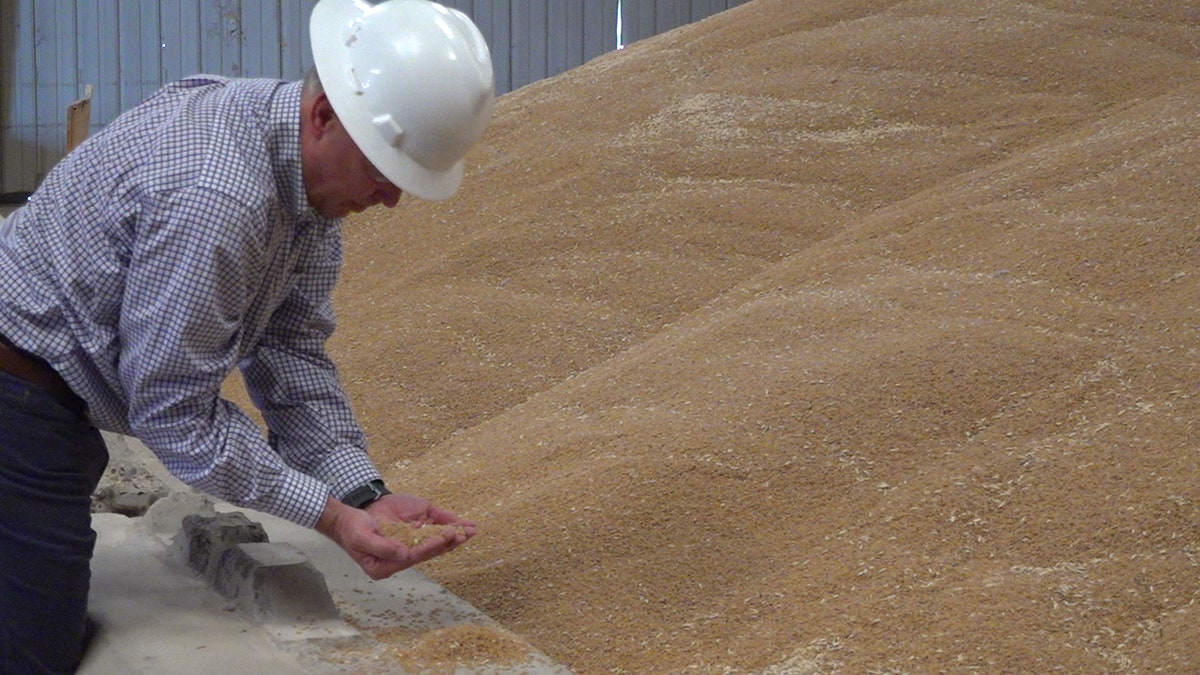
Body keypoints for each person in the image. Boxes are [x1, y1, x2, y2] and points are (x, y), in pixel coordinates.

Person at [0, 0, 495, 671]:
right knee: (35, 652)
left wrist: (362, 496)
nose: (391, 200)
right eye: (384, 171)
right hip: (17, 385)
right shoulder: (219, 197)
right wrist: (322, 514)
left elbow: (290, 351)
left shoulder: (307, 191)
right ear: (323, 117)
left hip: (55, 394)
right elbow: (173, 410)